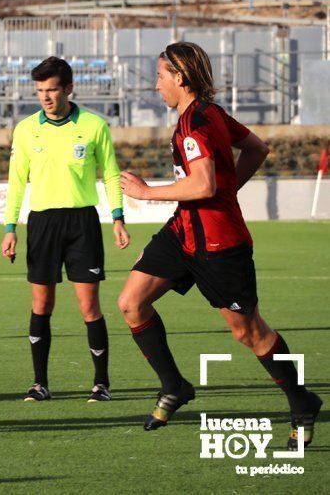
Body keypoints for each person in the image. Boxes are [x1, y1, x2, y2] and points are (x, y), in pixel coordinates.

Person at [117, 42, 321, 447]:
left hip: (219, 245)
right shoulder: (211, 114)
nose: (156, 85)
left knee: (249, 333)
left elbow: (204, 184)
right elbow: (257, 149)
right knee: (131, 301)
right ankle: (174, 386)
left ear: (179, 77)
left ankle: (302, 402)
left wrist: (146, 192)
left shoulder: (196, 123)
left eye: (160, 76)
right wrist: (224, 191)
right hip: (183, 232)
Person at [1, 57, 130, 403]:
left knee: (89, 306)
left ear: (68, 89)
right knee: (41, 304)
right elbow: (16, 182)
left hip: (82, 223)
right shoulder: (26, 129)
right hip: (42, 223)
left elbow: (111, 173)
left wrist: (118, 216)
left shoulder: (93, 126)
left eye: (52, 89)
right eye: (40, 90)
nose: (45, 96)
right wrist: (10, 226)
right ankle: (39, 383)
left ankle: (101, 383)